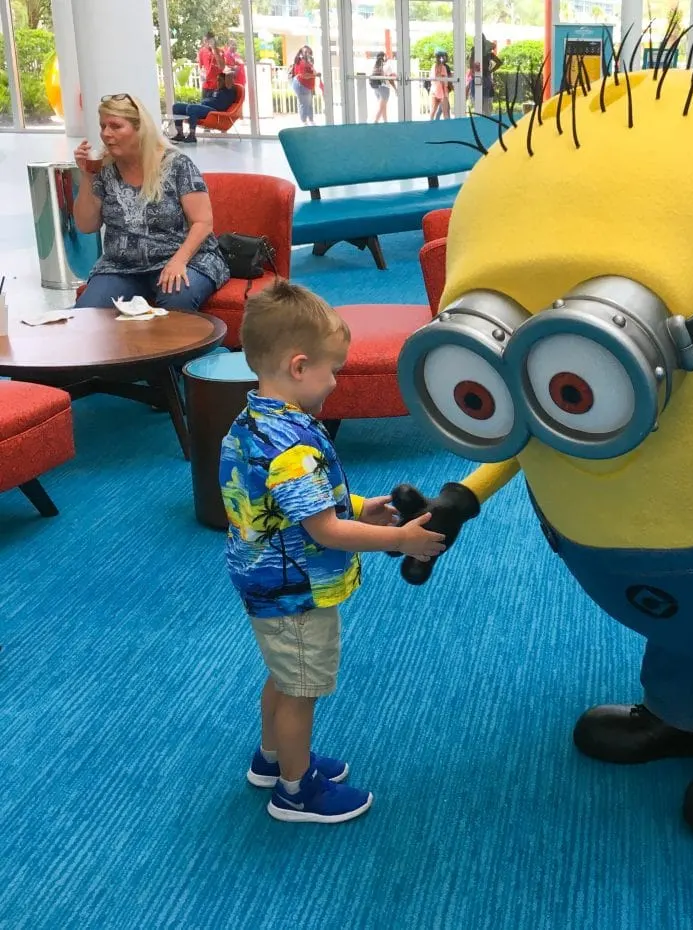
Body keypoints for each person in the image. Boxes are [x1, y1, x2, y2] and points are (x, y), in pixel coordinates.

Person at [219, 281, 446, 823]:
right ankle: (297, 791)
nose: (336, 380)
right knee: (302, 688)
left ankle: (272, 759)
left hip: (266, 581)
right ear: (299, 367)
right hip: (296, 588)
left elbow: (296, 508)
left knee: (282, 674)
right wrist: (400, 539)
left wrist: (361, 505)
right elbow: (324, 532)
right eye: (332, 369)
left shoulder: (253, 422)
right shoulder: (293, 447)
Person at [71, 93, 229, 312]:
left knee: (176, 297)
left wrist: (178, 261)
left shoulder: (176, 164)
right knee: (87, 312)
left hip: (185, 257)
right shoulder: (104, 169)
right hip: (121, 266)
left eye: (116, 126)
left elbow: (203, 222)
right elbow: (86, 225)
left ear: (139, 129)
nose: (106, 134)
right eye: (103, 126)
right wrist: (87, 177)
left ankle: (182, 346)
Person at [170, 70, 238, 143]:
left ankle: (192, 136)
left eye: (220, 80)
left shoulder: (229, 89)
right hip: (203, 108)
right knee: (176, 106)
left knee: (192, 108)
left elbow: (230, 74)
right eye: (217, 80)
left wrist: (226, 71)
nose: (217, 82)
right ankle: (180, 134)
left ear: (227, 81)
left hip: (215, 112)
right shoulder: (217, 90)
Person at [290, 46, 322, 126]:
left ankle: (310, 120)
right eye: (306, 52)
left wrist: (315, 74)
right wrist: (315, 75)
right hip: (302, 85)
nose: (308, 54)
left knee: (309, 104)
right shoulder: (301, 62)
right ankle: (304, 122)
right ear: (301, 53)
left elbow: (311, 71)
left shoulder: (308, 62)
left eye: (310, 52)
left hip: (307, 86)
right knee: (304, 104)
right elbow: (304, 75)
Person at [369, 52, 396, 124]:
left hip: (376, 88)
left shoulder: (375, 66)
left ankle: (385, 122)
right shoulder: (387, 66)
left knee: (383, 107)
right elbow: (391, 80)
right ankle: (375, 123)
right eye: (386, 56)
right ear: (384, 57)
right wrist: (396, 89)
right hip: (384, 88)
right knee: (381, 108)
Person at [198, 31, 224, 98]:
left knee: (214, 107)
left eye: (207, 40)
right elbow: (201, 67)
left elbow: (222, 67)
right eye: (204, 41)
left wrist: (214, 50)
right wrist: (202, 75)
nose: (205, 43)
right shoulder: (202, 51)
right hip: (206, 85)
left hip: (217, 86)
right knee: (204, 106)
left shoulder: (220, 51)